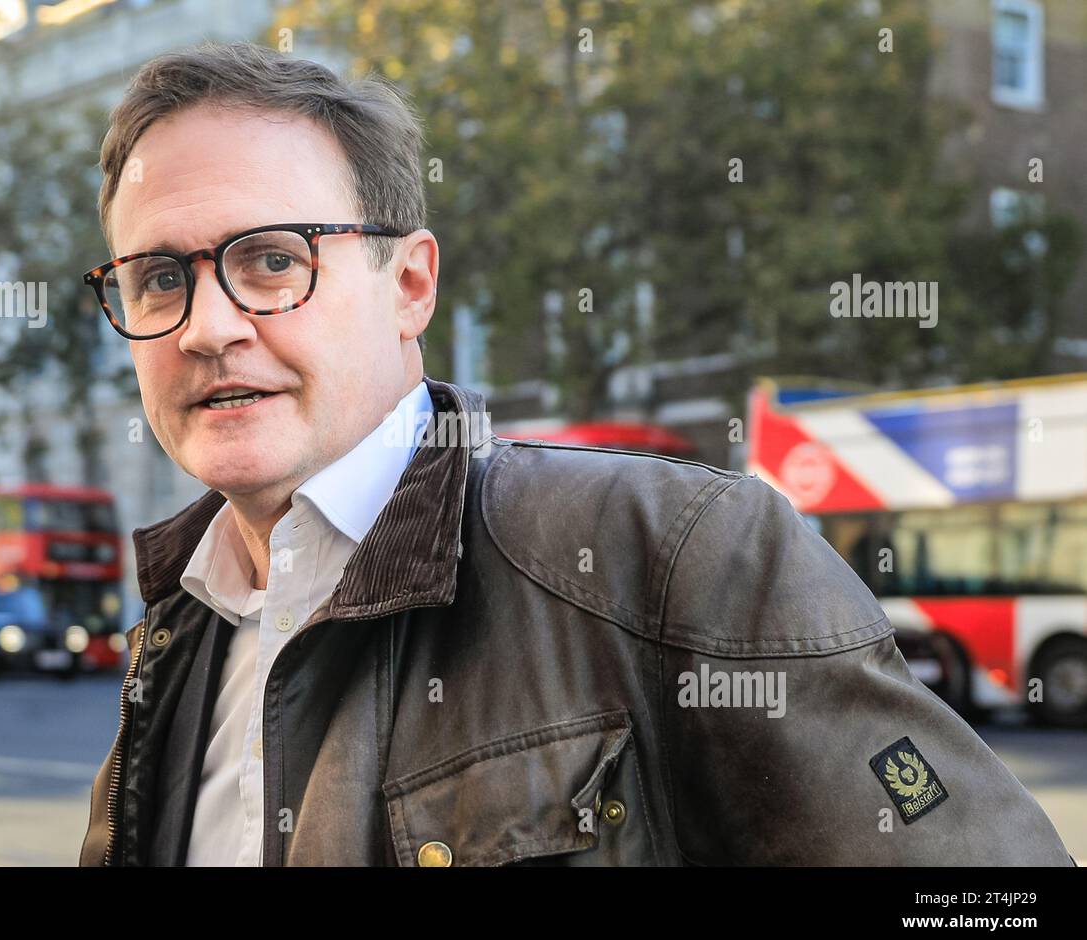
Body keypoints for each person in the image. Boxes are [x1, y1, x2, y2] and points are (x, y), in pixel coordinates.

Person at [78, 41, 1072, 867]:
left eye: (272, 259)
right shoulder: (173, 641)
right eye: (160, 277)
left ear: (410, 284)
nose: (207, 326)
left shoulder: (679, 554)